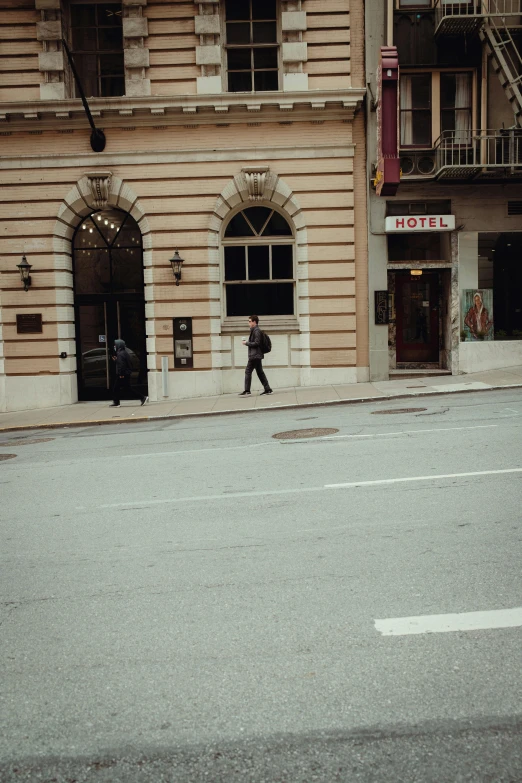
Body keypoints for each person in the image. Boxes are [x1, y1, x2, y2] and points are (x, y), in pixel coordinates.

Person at [239, 315, 272, 396]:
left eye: (250, 321)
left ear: (254, 322)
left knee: (248, 371)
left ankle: (247, 390)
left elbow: (257, 343)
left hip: (255, 355)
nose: (248, 323)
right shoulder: (254, 330)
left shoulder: (256, 331)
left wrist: (246, 343)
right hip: (256, 355)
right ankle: (267, 389)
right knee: (260, 372)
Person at [110, 339, 148, 407]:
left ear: (119, 345)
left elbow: (122, 365)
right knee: (126, 388)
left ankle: (116, 403)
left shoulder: (120, 354)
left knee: (116, 388)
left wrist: (121, 374)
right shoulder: (124, 352)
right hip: (126, 373)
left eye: (115, 345)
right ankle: (142, 397)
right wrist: (116, 360)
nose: (114, 346)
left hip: (123, 374)